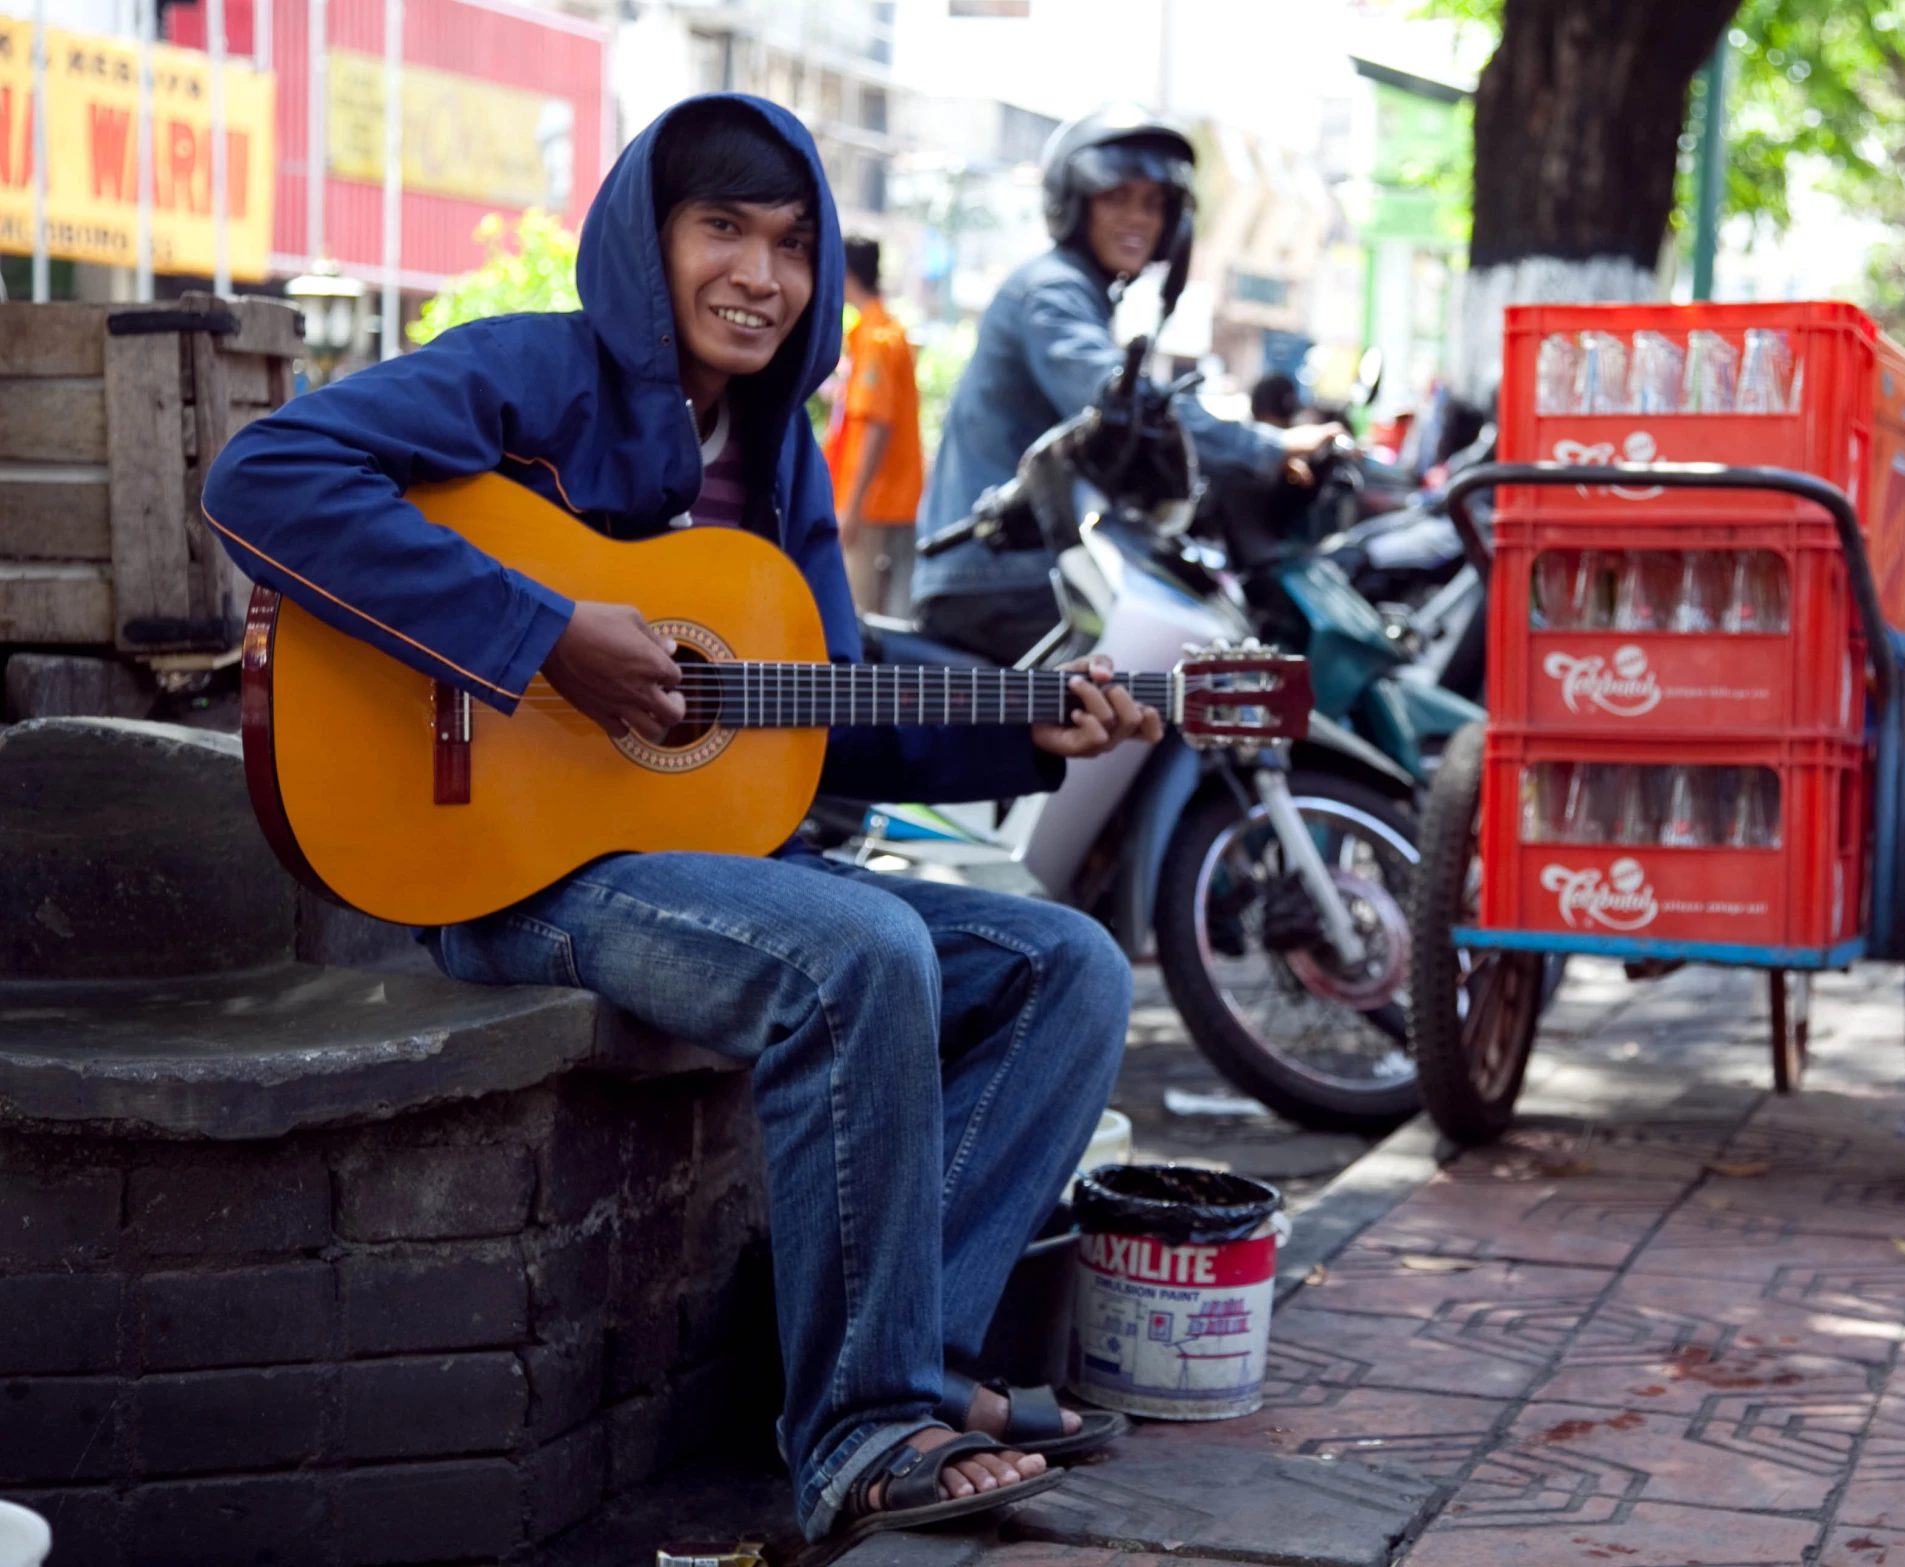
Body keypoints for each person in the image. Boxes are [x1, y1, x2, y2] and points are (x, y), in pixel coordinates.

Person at [199, 96, 1157, 1545]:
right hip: (519, 869)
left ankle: (913, 1358)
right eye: (722, 229)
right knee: (861, 948)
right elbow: (261, 475)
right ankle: (856, 1432)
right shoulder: (534, 371)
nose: (758, 277)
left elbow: (814, 702)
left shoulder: (781, 455)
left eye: (789, 243)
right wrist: (540, 633)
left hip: (709, 874)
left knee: (1068, 964)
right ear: (648, 243)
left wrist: (1015, 723)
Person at [913, 103, 1343, 664]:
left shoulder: (1080, 296)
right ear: (1074, 203)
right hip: (997, 577)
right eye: (1116, 198)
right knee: (1168, 680)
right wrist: (1269, 447)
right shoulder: (1051, 293)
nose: (1137, 219)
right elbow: (1129, 409)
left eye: (1153, 203)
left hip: (1021, 569)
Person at [828, 236, 926, 618]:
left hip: (873, 505)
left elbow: (877, 424)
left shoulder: (877, 340)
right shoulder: (884, 331)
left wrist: (852, 507)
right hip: (885, 501)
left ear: (845, 272)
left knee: (860, 616)